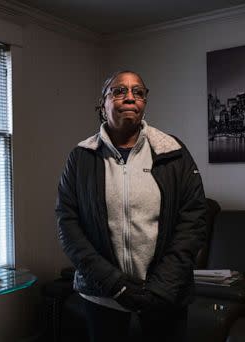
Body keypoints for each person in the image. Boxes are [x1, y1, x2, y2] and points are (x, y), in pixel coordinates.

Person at [55, 70, 207, 342]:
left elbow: (193, 221)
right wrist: (115, 284)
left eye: (138, 92)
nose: (129, 97)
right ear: (103, 104)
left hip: (165, 295)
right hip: (103, 295)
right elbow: (68, 224)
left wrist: (161, 288)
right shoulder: (81, 158)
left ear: (145, 103)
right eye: (119, 91)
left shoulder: (173, 152)